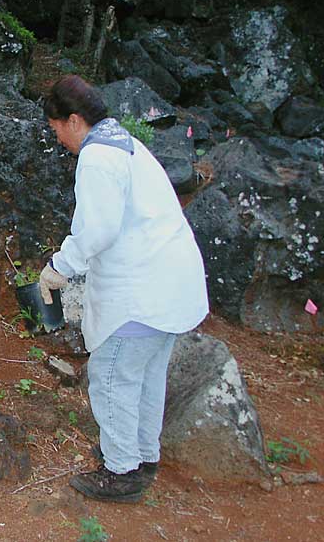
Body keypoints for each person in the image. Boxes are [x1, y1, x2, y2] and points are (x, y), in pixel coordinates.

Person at [38, 75, 209, 503]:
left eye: (56, 127)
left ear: (74, 120)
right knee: (147, 377)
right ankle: (142, 456)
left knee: (112, 377)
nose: (57, 137)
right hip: (172, 283)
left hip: (143, 291)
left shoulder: (97, 157)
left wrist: (59, 268)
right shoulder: (125, 142)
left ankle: (120, 473)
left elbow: (96, 230)